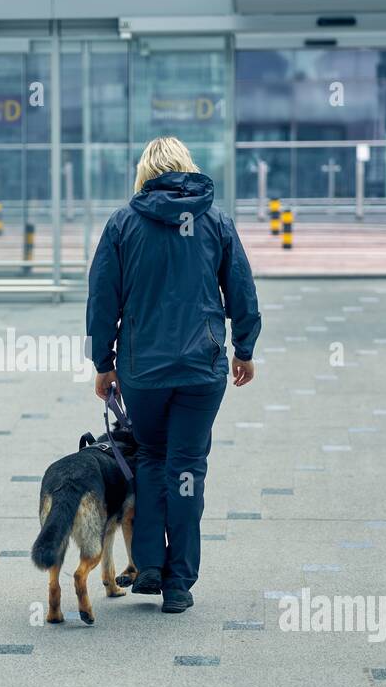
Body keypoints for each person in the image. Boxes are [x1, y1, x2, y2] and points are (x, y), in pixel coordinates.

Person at [86, 136, 261, 614]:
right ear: (188, 167)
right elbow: (242, 289)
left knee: (148, 457)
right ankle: (180, 584)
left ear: (145, 173)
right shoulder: (215, 221)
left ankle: (149, 568)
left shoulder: (123, 224)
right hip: (201, 370)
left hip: (142, 370)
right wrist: (244, 348)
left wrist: (103, 362)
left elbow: (102, 300)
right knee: (187, 468)